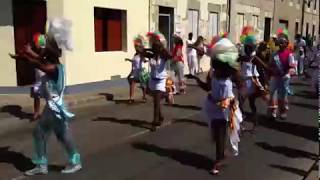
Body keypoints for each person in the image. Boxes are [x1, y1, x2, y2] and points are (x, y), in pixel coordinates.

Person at [13, 31, 82, 175]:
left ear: (49, 56)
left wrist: (26, 56)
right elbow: (39, 60)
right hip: (58, 106)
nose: (42, 54)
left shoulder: (52, 68)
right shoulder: (56, 65)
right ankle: (75, 161)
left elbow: (38, 64)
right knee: (62, 135)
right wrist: (28, 54)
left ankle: (42, 164)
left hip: (53, 107)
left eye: (44, 53)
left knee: (39, 133)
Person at [195, 38, 243, 175]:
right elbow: (207, 87)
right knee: (216, 136)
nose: (215, 65)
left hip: (224, 111)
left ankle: (217, 162)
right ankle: (222, 154)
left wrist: (232, 104)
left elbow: (232, 97)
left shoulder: (228, 81)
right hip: (213, 108)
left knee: (220, 136)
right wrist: (198, 81)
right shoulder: (213, 75)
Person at [238, 30, 269, 130]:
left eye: (249, 48)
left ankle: (253, 120)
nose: (247, 49)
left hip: (251, 83)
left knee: (249, 103)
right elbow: (232, 61)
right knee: (240, 103)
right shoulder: (242, 57)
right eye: (246, 47)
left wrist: (265, 81)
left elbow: (264, 67)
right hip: (243, 82)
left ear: (252, 48)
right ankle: (243, 120)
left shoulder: (254, 58)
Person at [146, 32, 171, 131]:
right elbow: (141, 51)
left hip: (160, 81)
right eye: (154, 46)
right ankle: (161, 115)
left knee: (156, 102)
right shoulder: (150, 56)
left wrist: (162, 46)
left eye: (157, 46)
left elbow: (170, 55)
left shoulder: (163, 56)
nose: (155, 48)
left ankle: (155, 122)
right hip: (152, 80)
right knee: (155, 101)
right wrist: (138, 45)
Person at [268, 33, 296, 120]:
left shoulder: (289, 55)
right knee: (272, 94)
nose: (280, 44)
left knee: (283, 96)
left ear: (286, 44)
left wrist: (288, 74)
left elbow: (293, 67)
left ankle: (283, 111)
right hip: (275, 77)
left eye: (282, 42)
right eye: (279, 42)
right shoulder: (274, 54)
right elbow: (270, 66)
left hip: (284, 78)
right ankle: (273, 111)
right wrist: (269, 75)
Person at [126, 35, 148, 103]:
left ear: (140, 47)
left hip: (140, 72)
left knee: (143, 86)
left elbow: (143, 60)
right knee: (132, 83)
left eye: (137, 47)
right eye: (135, 47)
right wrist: (129, 60)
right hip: (134, 72)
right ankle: (131, 98)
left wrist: (145, 60)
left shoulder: (141, 54)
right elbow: (135, 61)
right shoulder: (135, 54)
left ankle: (144, 96)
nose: (136, 48)